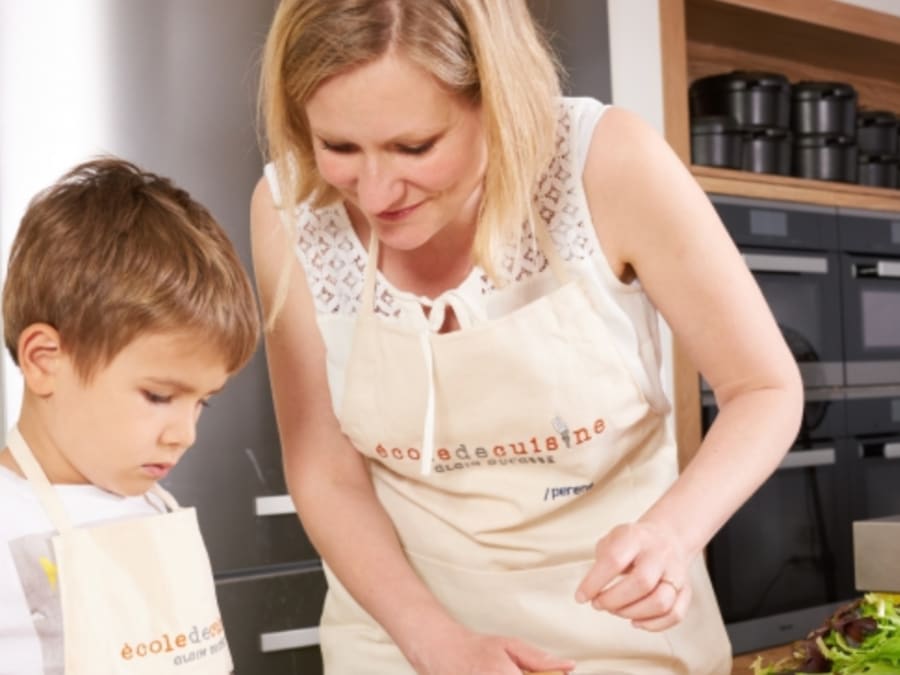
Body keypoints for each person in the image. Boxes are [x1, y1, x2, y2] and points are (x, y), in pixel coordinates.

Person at [251, 1, 803, 673]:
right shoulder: (289, 208)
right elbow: (323, 468)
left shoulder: (606, 162)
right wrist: (434, 641)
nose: (374, 189)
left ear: (498, 98)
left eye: (414, 146)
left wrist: (669, 536)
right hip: (400, 635)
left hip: (614, 632)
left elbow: (764, 388)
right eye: (339, 147)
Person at [0, 157, 260, 674]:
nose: (184, 435)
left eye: (202, 402)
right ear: (45, 361)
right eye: (160, 396)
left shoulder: (155, 509)